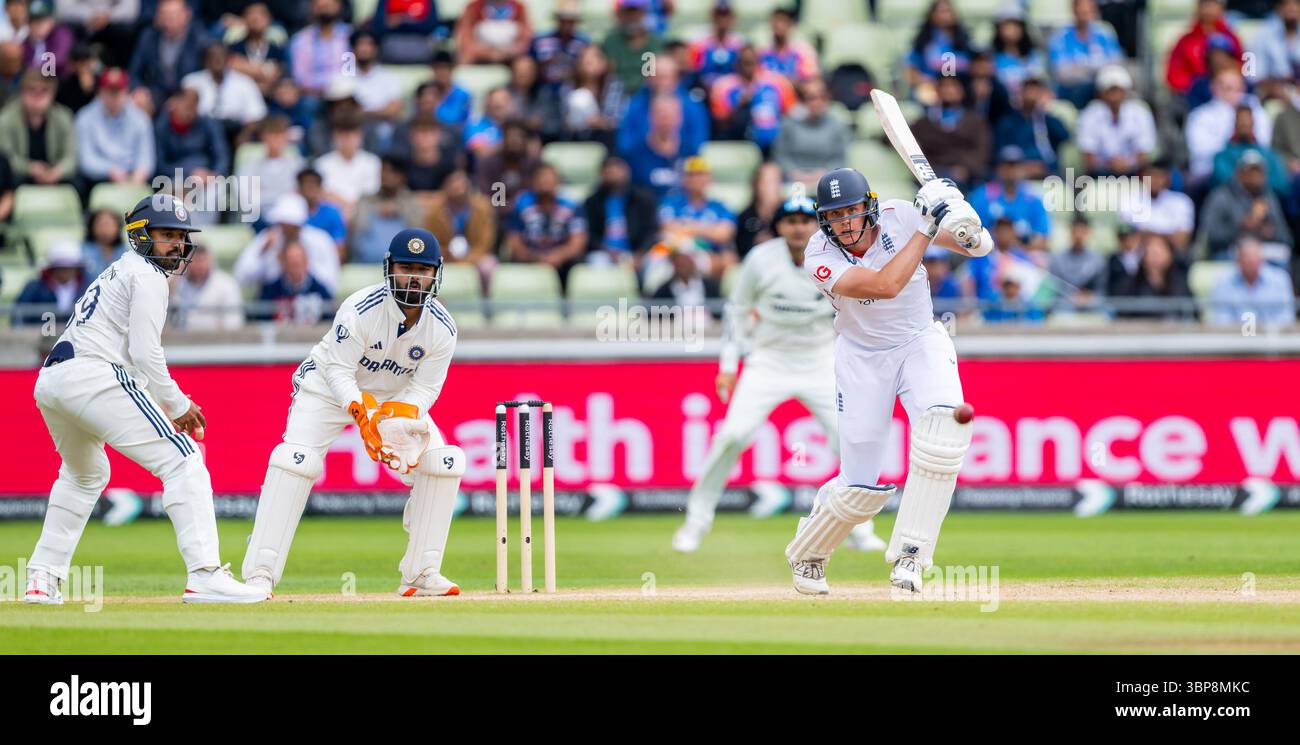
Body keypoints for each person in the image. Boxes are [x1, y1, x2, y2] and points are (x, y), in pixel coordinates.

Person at [24, 194, 266, 605]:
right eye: (166, 234)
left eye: (180, 236)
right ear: (140, 235)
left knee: (84, 475)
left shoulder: (119, 269)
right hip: (92, 373)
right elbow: (145, 354)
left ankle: (41, 579)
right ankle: (205, 573)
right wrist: (177, 404)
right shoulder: (148, 274)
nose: (176, 244)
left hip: (52, 380)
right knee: (184, 458)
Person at [785, 169, 988, 595]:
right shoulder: (818, 256)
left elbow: (979, 248)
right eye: (834, 214)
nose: (844, 222)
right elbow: (885, 285)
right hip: (861, 357)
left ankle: (911, 556)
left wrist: (958, 212)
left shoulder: (901, 215)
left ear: (869, 206)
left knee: (944, 435)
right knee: (858, 487)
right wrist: (928, 226)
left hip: (920, 341)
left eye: (851, 211)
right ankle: (809, 553)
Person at [242, 228, 464, 598]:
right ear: (389, 268)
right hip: (327, 391)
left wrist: (400, 413)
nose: (414, 276)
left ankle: (421, 572)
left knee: (442, 462)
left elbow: (425, 387)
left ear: (436, 273)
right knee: (295, 461)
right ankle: (260, 574)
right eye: (406, 267)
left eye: (422, 269)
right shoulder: (359, 309)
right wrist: (362, 413)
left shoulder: (442, 328)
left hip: (393, 398)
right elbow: (338, 371)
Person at [673, 195, 885, 554]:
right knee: (732, 436)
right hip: (769, 360)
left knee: (848, 440)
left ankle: (861, 528)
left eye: (805, 220)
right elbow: (737, 310)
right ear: (780, 226)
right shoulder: (761, 259)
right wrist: (728, 366)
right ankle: (696, 521)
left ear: (816, 223)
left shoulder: (837, 255)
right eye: (790, 220)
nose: (799, 227)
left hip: (820, 360)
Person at [234, 193, 341, 294]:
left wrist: (300, 270)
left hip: (312, 301)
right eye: (283, 224)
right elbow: (241, 277)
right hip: (274, 303)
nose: (287, 229)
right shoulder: (266, 239)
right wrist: (263, 251)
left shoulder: (320, 240)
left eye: (292, 225)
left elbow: (331, 282)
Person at [505, 163, 587, 282]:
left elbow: (577, 243)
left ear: (558, 182)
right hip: (529, 260)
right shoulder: (521, 205)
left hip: (562, 264)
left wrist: (558, 256)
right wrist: (535, 258)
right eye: (541, 177)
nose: (545, 181)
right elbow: (514, 241)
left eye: (549, 178)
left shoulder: (572, 206)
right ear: (533, 182)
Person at [74, 67, 154, 189]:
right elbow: (86, 160)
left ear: (127, 92)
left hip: (133, 176)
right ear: (100, 92)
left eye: (118, 91)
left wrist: (138, 175)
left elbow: (146, 158)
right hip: (99, 179)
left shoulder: (141, 119)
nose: (114, 96)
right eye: (109, 91)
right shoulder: (85, 117)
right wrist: (110, 170)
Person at [0, 68, 76, 186]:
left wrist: (57, 171)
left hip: (55, 173)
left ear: (53, 93)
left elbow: (72, 157)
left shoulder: (64, 117)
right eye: (32, 90)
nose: (37, 96)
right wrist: (29, 168)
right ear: (22, 92)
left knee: (77, 183)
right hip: (22, 175)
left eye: (44, 91)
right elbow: (6, 157)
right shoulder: (6, 118)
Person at [1077, 65, 1155, 177]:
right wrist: (1110, 164)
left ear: (1126, 92)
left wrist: (1127, 163)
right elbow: (1088, 159)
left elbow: (1144, 155)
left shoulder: (1140, 113)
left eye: (1118, 90)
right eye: (1110, 90)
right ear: (1101, 93)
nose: (1115, 96)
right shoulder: (1089, 114)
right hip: (1101, 176)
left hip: (1134, 173)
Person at [772, 77, 850, 186]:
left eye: (822, 97)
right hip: (792, 179)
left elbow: (839, 158)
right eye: (811, 97)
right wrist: (795, 173)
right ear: (802, 100)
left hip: (829, 180)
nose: (817, 102)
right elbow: (781, 155)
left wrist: (823, 174)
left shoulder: (837, 125)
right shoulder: (789, 124)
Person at [583, 154, 659, 265]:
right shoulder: (593, 202)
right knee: (597, 262)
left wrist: (640, 253)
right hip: (604, 253)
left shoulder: (643, 199)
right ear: (601, 175)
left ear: (627, 172)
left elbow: (651, 230)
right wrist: (606, 251)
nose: (612, 173)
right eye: (608, 171)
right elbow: (589, 234)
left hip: (638, 251)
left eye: (616, 170)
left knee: (657, 262)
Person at [348, 156, 427, 263]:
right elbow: (357, 232)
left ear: (402, 176)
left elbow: (418, 238)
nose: (385, 175)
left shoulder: (412, 203)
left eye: (392, 171)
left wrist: (399, 211)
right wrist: (374, 211)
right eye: (383, 170)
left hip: (403, 265)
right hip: (364, 264)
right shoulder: (365, 200)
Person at [1046, 0, 1123, 108]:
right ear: (1073, 10)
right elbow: (1062, 73)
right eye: (1081, 9)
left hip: (1102, 86)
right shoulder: (1060, 36)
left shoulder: (1105, 33)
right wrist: (1096, 67)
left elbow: (1117, 64)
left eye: (1088, 9)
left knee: (1115, 90)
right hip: (1071, 90)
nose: (1085, 12)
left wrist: (1080, 68)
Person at [1208, 237, 1296, 326]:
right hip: (1234, 336)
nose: (1251, 261)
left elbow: (1286, 316)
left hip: (1272, 336)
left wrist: (1263, 331)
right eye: (1246, 258)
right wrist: (1244, 332)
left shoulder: (1280, 279)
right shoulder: (1223, 281)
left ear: (1262, 259)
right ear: (1238, 260)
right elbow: (1220, 318)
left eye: (1254, 257)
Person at [1166, 0, 1242, 98]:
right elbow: (1174, 74)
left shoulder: (1231, 38)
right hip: (1196, 96)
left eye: (1213, 4)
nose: (1209, 8)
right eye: (1205, 3)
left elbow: (1243, 65)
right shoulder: (1186, 41)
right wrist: (1195, 86)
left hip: (1228, 91)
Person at [170, 243, 244, 331]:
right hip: (181, 340)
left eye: (203, 260)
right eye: (195, 260)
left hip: (216, 341)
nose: (199, 265)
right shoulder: (177, 282)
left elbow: (233, 324)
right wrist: (176, 275)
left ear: (211, 261)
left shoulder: (226, 284)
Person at [13, 240, 87, 327]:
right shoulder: (34, 288)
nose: (66, 271)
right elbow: (18, 316)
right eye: (61, 267)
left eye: (70, 267)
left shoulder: (87, 288)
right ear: (52, 268)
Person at [257, 240, 332, 323]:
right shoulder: (270, 291)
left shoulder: (320, 291)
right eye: (292, 264)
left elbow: (329, 319)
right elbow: (260, 318)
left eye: (298, 263)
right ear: (284, 264)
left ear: (306, 262)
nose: (295, 269)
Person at [455, 0, 531, 65]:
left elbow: (526, 39)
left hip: (510, 56)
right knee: (463, 58)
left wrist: (508, 52)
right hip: (480, 55)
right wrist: (488, 53)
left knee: (525, 64)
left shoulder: (519, 8)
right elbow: (465, 39)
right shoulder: (473, 8)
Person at [80, 209, 126, 279]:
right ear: (92, 227)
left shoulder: (126, 253)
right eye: (101, 224)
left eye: (109, 225)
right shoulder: (81, 252)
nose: (105, 229)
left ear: (118, 227)